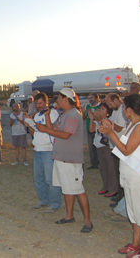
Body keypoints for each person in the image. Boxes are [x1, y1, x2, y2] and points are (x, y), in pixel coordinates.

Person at [99, 94, 140, 258]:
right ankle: (136, 244)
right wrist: (111, 128)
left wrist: (110, 133)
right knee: (133, 212)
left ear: (130, 109)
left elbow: (126, 150)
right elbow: (124, 141)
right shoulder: (133, 125)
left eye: (124, 107)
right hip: (130, 174)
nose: (123, 110)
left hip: (138, 176)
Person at [35, 88, 92, 233]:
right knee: (67, 190)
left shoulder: (73, 115)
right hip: (62, 158)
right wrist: (47, 117)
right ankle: (69, 216)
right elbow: (54, 129)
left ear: (65, 99)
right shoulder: (64, 114)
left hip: (71, 160)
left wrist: (45, 129)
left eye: (59, 98)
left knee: (78, 190)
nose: (57, 101)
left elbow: (66, 135)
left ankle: (87, 221)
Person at [24, 92, 62, 213]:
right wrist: (29, 123)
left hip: (48, 150)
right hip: (38, 149)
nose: (39, 106)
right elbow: (34, 132)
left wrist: (36, 124)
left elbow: (52, 129)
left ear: (46, 102)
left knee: (51, 179)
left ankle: (55, 203)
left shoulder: (53, 113)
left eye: (40, 103)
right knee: (38, 178)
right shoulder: (37, 115)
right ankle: (43, 200)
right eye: (36, 104)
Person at [89, 105, 118, 197]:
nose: (100, 111)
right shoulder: (96, 122)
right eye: (100, 109)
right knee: (103, 168)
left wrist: (102, 118)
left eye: (103, 109)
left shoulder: (108, 120)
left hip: (106, 146)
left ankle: (113, 188)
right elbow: (91, 130)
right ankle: (105, 186)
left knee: (111, 168)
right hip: (98, 145)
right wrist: (91, 119)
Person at [83, 93, 100, 170]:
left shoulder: (100, 106)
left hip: (98, 129)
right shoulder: (88, 107)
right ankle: (94, 163)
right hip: (89, 129)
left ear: (97, 98)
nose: (90, 99)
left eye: (92, 98)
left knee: (99, 146)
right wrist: (83, 112)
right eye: (89, 98)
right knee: (91, 148)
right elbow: (84, 118)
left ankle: (100, 162)